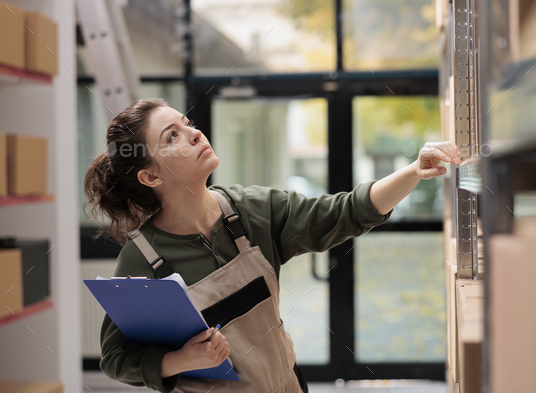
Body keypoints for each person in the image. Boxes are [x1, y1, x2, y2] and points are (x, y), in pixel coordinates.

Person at [83, 98, 461, 393]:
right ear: (150, 175)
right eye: (172, 136)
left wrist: (415, 170)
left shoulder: (250, 210)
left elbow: (342, 212)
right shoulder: (143, 256)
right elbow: (117, 357)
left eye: (188, 123)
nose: (194, 133)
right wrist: (180, 359)